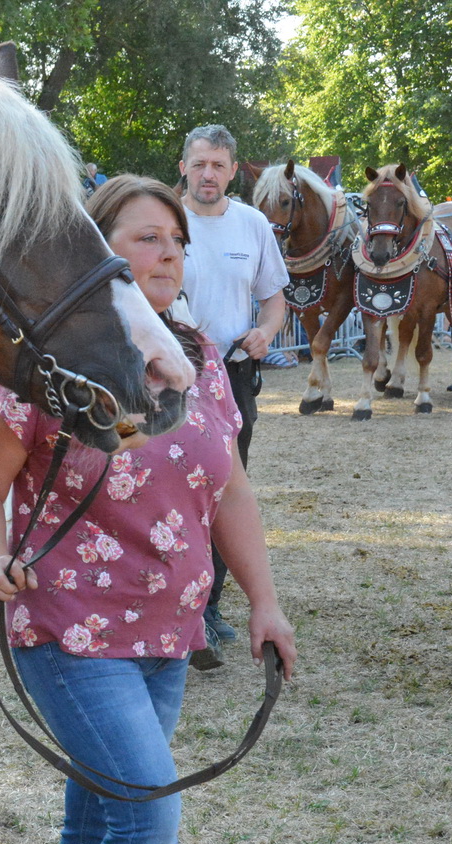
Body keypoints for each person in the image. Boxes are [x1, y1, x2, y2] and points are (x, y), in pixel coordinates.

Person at [0, 172, 297, 844]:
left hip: (168, 632)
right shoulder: (43, 364)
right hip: (66, 626)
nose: (168, 253)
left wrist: (263, 602)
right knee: (146, 816)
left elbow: (228, 490)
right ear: (100, 254)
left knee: (99, 815)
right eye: (146, 239)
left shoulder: (199, 358)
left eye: (175, 241)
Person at [175, 124, 287, 668]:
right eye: (199, 164)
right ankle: (172, 606)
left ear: (231, 170)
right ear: (183, 168)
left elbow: (274, 301)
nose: (208, 175)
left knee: (222, 490)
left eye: (218, 165)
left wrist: (265, 332)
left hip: (234, 379)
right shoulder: (161, 221)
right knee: (168, 489)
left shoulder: (252, 224)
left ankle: (208, 607)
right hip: (168, 377)